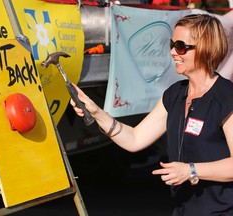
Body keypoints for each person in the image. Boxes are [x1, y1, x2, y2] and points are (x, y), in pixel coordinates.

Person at [71, 13, 233, 215]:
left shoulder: (226, 97)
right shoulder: (175, 94)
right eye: (172, 44)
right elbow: (135, 139)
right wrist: (96, 112)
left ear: (206, 48)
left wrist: (191, 170)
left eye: (181, 46)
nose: (173, 52)